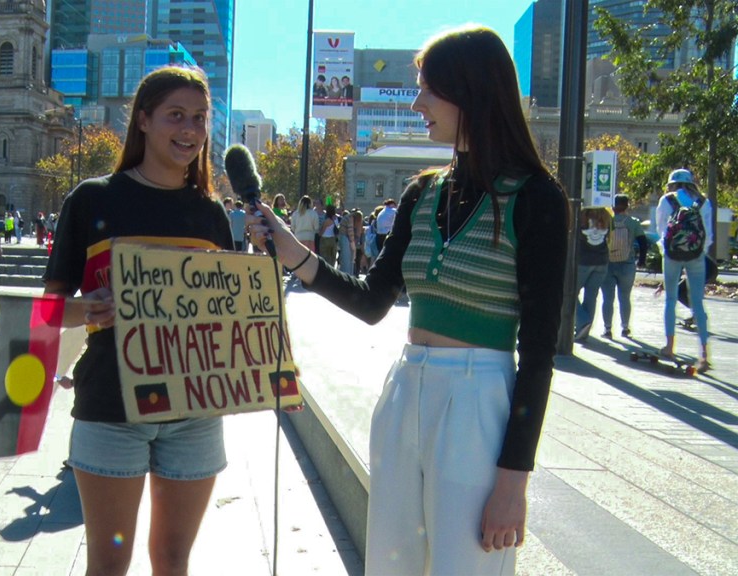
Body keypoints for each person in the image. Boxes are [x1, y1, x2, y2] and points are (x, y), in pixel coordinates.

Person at [246, 25, 568, 575]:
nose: (418, 103)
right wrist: (292, 251)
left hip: (479, 401)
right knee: (388, 566)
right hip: (405, 388)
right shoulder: (424, 193)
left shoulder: (536, 198)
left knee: (466, 568)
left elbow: (539, 353)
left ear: (471, 92)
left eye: (429, 90)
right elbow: (373, 301)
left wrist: (514, 481)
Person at [42, 65, 233, 576]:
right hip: (111, 406)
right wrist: (89, 307)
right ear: (143, 120)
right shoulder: (92, 199)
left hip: (194, 411)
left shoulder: (211, 214)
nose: (190, 129)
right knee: (108, 564)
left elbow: (225, 314)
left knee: (173, 561)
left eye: (200, 117)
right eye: (176, 115)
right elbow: (47, 311)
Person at [655, 168, 713, 372]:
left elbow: (661, 230)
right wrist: (698, 251)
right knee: (697, 302)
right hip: (696, 255)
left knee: (671, 299)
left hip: (671, 256)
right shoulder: (704, 202)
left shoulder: (666, 201)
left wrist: (667, 251)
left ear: (671, 183)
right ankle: (704, 354)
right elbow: (708, 234)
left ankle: (669, 346)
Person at [600, 194, 648, 339]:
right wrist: (641, 260)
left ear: (613, 206)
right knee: (625, 297)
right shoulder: (633, 222)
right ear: (627, 206)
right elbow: (643, 242)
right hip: (627, 263)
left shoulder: (607, 221)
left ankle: (607, 329)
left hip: (608, 264)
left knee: (607, 299)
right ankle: (625, 328)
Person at [574, 206, 611, 341]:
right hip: (602, 261)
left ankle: (583, 322)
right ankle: (584, 330)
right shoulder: (607, 217)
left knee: (570, 294)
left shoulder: (581, 216)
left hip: (583, 261)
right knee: (591, 296)